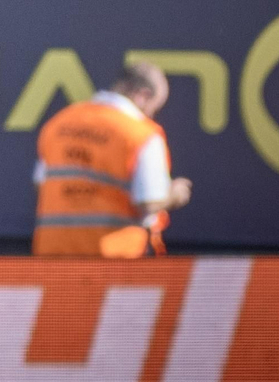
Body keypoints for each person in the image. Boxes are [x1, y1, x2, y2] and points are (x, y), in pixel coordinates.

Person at [33, 62, 192, 257]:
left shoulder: (60, 122)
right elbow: (148, 202)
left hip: (52, 255)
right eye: (153, 108)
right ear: (143, 96)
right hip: (114, 260)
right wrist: (174, 196)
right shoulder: (140, 134)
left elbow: (42, 182)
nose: (151, 115)